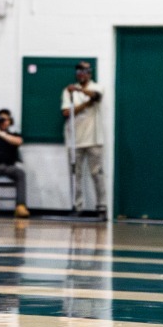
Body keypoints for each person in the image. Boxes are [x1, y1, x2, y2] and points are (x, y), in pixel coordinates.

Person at [62, 62, 106, 215]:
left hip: (94, 139)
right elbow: (67, 112)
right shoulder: (69, 91)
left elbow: (96, 96)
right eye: (79, 72)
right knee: (75, 175)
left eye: (85, 71)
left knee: (97, 174)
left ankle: (101, 206)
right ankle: (77, 206)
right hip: (75, 140)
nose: (82, 74)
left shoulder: (97, 86)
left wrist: (80, 91)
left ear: (90, 73)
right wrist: (86, 104)